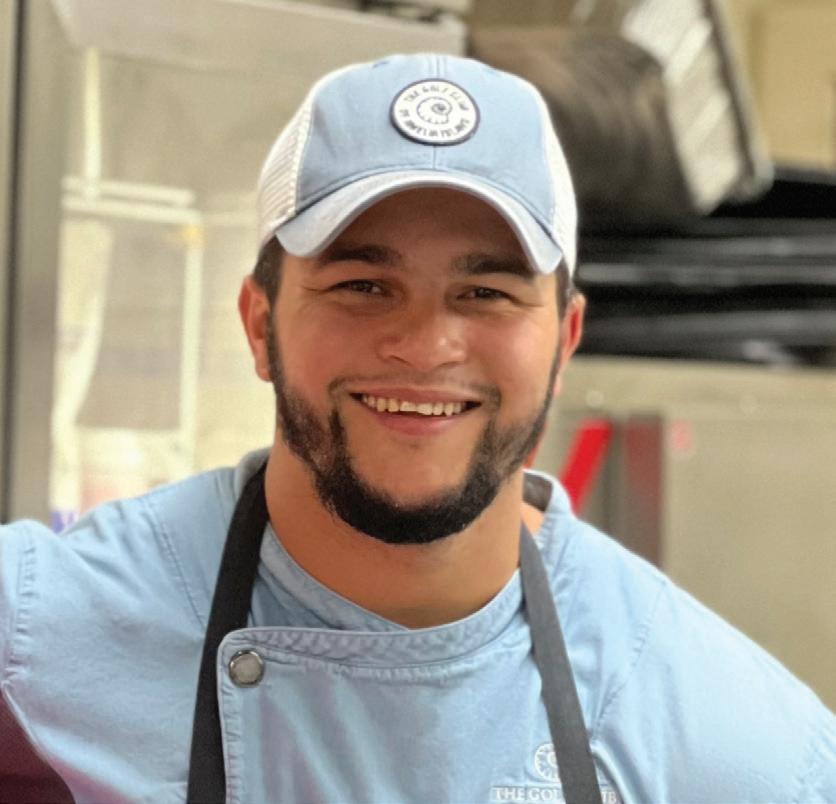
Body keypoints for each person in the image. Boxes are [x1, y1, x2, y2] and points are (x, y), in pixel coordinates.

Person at [0, 52, 833, 804]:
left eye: (487, 293)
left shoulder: (736, 744)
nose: (426, 346)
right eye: (362, 285)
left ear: (565, 341)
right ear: (259, 325)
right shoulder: (33, 640)